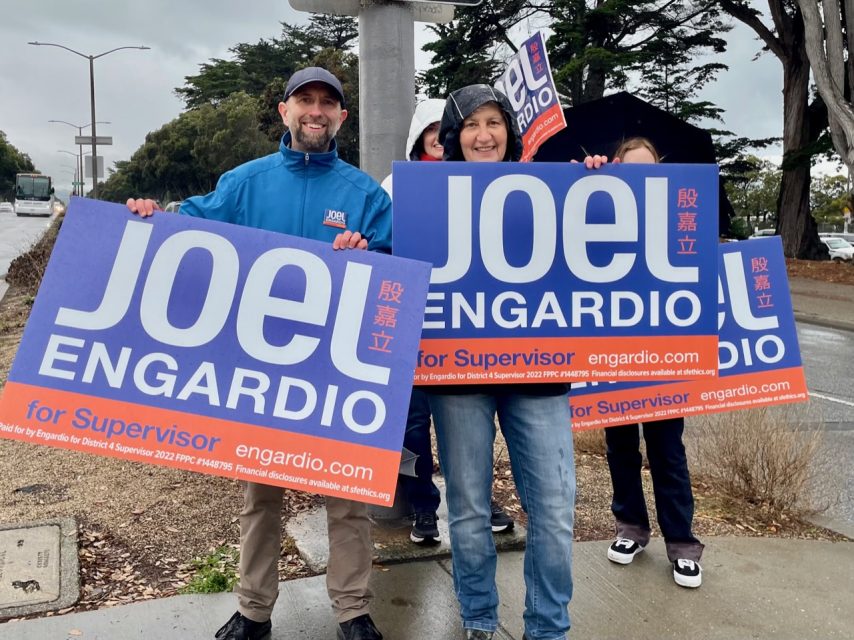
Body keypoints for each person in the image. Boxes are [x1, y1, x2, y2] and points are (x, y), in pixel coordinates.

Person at [127, 66, 388, 640]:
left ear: (342, 116)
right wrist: (151, 216)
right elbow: (187, 229)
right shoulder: (245, 182)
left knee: (348, 501)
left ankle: (352, 611)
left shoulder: (364, 193)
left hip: (336, 373)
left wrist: (366, 253)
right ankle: (253, 611)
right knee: (259, 498)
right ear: (284, 112)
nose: (316, 111)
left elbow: (396, 272)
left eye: (327, 103)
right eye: (305, 101)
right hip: (261, 370)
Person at [429, 84, 576, 640]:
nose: (483, 134)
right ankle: (479, 622)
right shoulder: (429, 194)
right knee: (468, 515)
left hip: (539, 375)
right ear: (454, 136)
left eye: (493, 122)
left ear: (510, 132)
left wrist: (601, 181)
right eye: (470, 125)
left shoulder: (550, 188)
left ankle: (547, 629)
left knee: (555, 514)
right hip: (457, 375)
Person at [383, 99, 515, 546]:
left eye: (448, 130)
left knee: (474, 427)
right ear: (419, 138)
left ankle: (482, 498)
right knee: (414, 426)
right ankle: (423, 506)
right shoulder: (396, 185)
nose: (440, 139)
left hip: (470, 330)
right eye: (432, 131)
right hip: (416, 331)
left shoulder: (495, 184)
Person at [583, 137, 705, 589]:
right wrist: (589, 174)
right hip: (613, 355)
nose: (640, 179)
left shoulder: (677, 216)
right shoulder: (597, 210)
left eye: (648, 169)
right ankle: (630, 528)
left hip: (664, 356)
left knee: (668, 452)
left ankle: (683, 544)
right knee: (620, 449)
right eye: (628, 170)